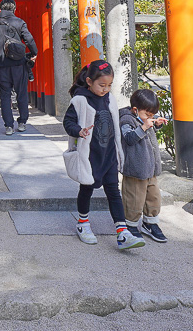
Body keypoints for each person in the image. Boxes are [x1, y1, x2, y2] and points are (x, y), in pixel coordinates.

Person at [62, 61, 145, 250]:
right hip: (90, 156)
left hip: (109, 155)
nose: (106, 89)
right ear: (89, 81)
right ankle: (83, 223)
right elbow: (68, 122)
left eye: (109, 85)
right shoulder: (79, 100)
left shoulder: (109, 98)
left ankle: (122, 232)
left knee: (113, 192)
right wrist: (79, 130)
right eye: (102, 85)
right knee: (86, 189)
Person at [119, 88, 169, 243]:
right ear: (135, 110)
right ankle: (130, 224)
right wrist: (144, 127)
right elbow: (129, 138)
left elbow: (148, 123)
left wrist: (156, 123)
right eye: (148, 114)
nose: (150, 118)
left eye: (153, 115)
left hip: (150, 168)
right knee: (134, 198)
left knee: (153, 197)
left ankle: (150, 222)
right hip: (135, 169)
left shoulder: (144, 118)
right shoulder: (126, 120)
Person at [0, 0, 38, 135]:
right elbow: (29, 39)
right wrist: (34, 53)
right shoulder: (20, 22)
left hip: (2, 65)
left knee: (5, 96)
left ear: (0, 9)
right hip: (19, 64)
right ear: (14, 9)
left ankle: (8, 126)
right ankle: (22, 123)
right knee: (21, 93)